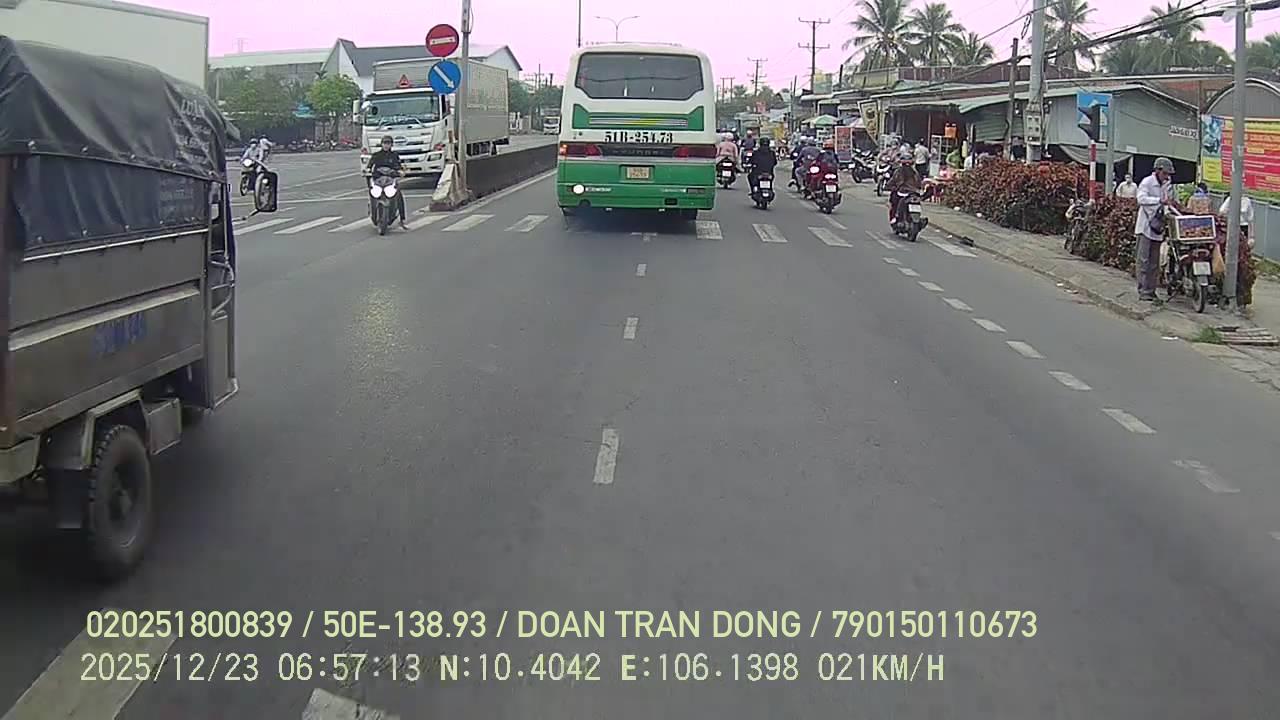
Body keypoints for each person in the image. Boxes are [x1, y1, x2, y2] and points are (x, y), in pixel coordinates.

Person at [1134, 157, 1177, 301]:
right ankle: (1143, 290)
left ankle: (1151, 290)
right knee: (1143, 261)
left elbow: (1167, 204)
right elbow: (1140, 199)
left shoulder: (1166, 186)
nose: (1166, 176)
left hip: (1158, 227)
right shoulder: (1147, 182)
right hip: (1145, 227)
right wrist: (1158, 201)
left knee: (1154, 263)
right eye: (1165, 173)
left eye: (1168, 174)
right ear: (1157, 171)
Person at [367, 134, 408, 229]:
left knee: (399, 195)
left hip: (390, 180)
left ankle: (402, 219)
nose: (386, 145)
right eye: (385, 143)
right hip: (378, 180)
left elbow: (398, 166)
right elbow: (370, 165)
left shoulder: (394, 155)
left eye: (388, 143)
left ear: (391, 145)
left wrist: (400, 171)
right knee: (372, 193)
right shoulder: (376, 155)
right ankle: (372, 211)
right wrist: (367, 170)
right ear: (381, 144)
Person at [886, 157, 922, 223]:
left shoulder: (899, 172)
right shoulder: (914, 172)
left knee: (894, 202)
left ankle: (895, 217)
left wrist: (889, 186)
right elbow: (919, 183)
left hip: (905, 192)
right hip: (911, 192)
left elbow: (892, 181)